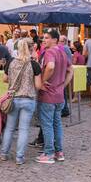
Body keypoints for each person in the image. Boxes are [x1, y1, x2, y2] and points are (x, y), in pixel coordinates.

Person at [0, 38, 42, 165]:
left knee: (9, 128)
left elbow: (4, 79)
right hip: (28, 99)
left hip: (13, 98)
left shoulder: (11, 62)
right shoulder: (34, 64)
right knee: (23, 129)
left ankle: (4, 153)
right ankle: (19, 157)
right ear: (31, 48)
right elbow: (38, 85)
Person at [37, 29, 73, 164]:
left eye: (47, 38)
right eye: (43, 38)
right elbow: (71, 71)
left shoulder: (50, 52)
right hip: (59, 96)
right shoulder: (63, 52)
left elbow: (50, 66)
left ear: (54, 40)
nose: (44, 40)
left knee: (47, 124)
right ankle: (59, 152)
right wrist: (63, 85)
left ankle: (49, 153)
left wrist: (41, 82)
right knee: (57, 124)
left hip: (48, 95)